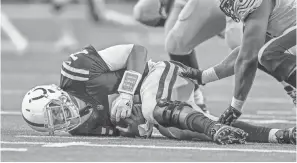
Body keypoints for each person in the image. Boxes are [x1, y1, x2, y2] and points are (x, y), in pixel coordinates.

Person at [21, 44, 296, 144]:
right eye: (53, 123)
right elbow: (129, 128)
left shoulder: (76, 70)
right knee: (179, 131)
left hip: (160, 73)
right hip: (164, 102)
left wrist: (127, 92)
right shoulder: (80, 129)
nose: (61, 119)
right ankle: (280, 135)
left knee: (154, 109)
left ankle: (212, 126)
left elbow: (137, 51)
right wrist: (135, 127)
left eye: (54, 111)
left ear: (56, 93)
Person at [180, 0, 296, 125]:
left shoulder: (256, 5)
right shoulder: (264, 11)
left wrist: (235, 107)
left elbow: (247, 60)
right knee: (264, 53)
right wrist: (203, 76)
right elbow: (244, 53)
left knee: (268, 55)